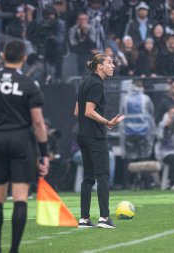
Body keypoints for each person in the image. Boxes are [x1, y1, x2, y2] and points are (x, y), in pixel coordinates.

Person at [0, 40, 49, 252]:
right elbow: (38, 122)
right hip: (21, 141)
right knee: (20, 198)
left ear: (3, 55)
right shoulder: (29, 84)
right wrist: (44, 153)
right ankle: (14, 250)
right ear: (24, 58)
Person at [74, 54, 124, 228]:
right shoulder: (96, 83)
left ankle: (84, 219)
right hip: (95, 136)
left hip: (82, 135)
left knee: (88, 178)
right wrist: (108, 122)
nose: (113, 66)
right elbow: (88, 111)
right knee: (103, 176)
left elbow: (77, 111)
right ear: (99, 66)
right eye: (109, 63)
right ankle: (104, 218)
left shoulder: (84, 82)